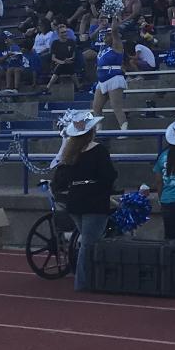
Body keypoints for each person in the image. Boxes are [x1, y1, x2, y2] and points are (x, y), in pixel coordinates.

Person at [50, 111, 116, 293]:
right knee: (89, 243)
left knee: (85, 240)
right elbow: (109, 175)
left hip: (75, 201)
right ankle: (83, 281)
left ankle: (86, 278)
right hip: (94, 201)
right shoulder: (99, 150)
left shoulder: (70, 152)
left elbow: (60, 180)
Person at [90, 28, 130, 131]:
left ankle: (124, 129)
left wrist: (113, 18)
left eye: (108, 35)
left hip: (114, 78)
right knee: (96, 106)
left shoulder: (117, 46)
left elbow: (115, 32)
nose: (106, 37)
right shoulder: (103, 48)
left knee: (115, 105)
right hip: (102, 80)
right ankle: (98, 128)